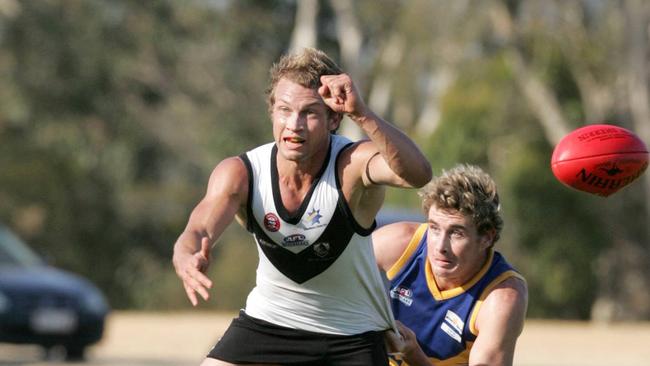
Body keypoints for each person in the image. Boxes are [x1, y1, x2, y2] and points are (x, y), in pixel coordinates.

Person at [172, 47, 431, 366]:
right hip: (270, 325)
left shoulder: (351, 165)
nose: (293, 125)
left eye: (309, 112)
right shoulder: (242, 173)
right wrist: (185, 254)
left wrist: (362, 113)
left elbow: (418, 174)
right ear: (271, 111)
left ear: (334, 117)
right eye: (284, 110)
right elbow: (198, 229)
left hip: (352, 335)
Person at [372, 164, 528, 366]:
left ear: (486, 238)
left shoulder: (500, 297)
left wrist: (414, 357)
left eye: (456, 233)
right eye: (434, 228)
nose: (440, 246)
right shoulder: (399, 243)